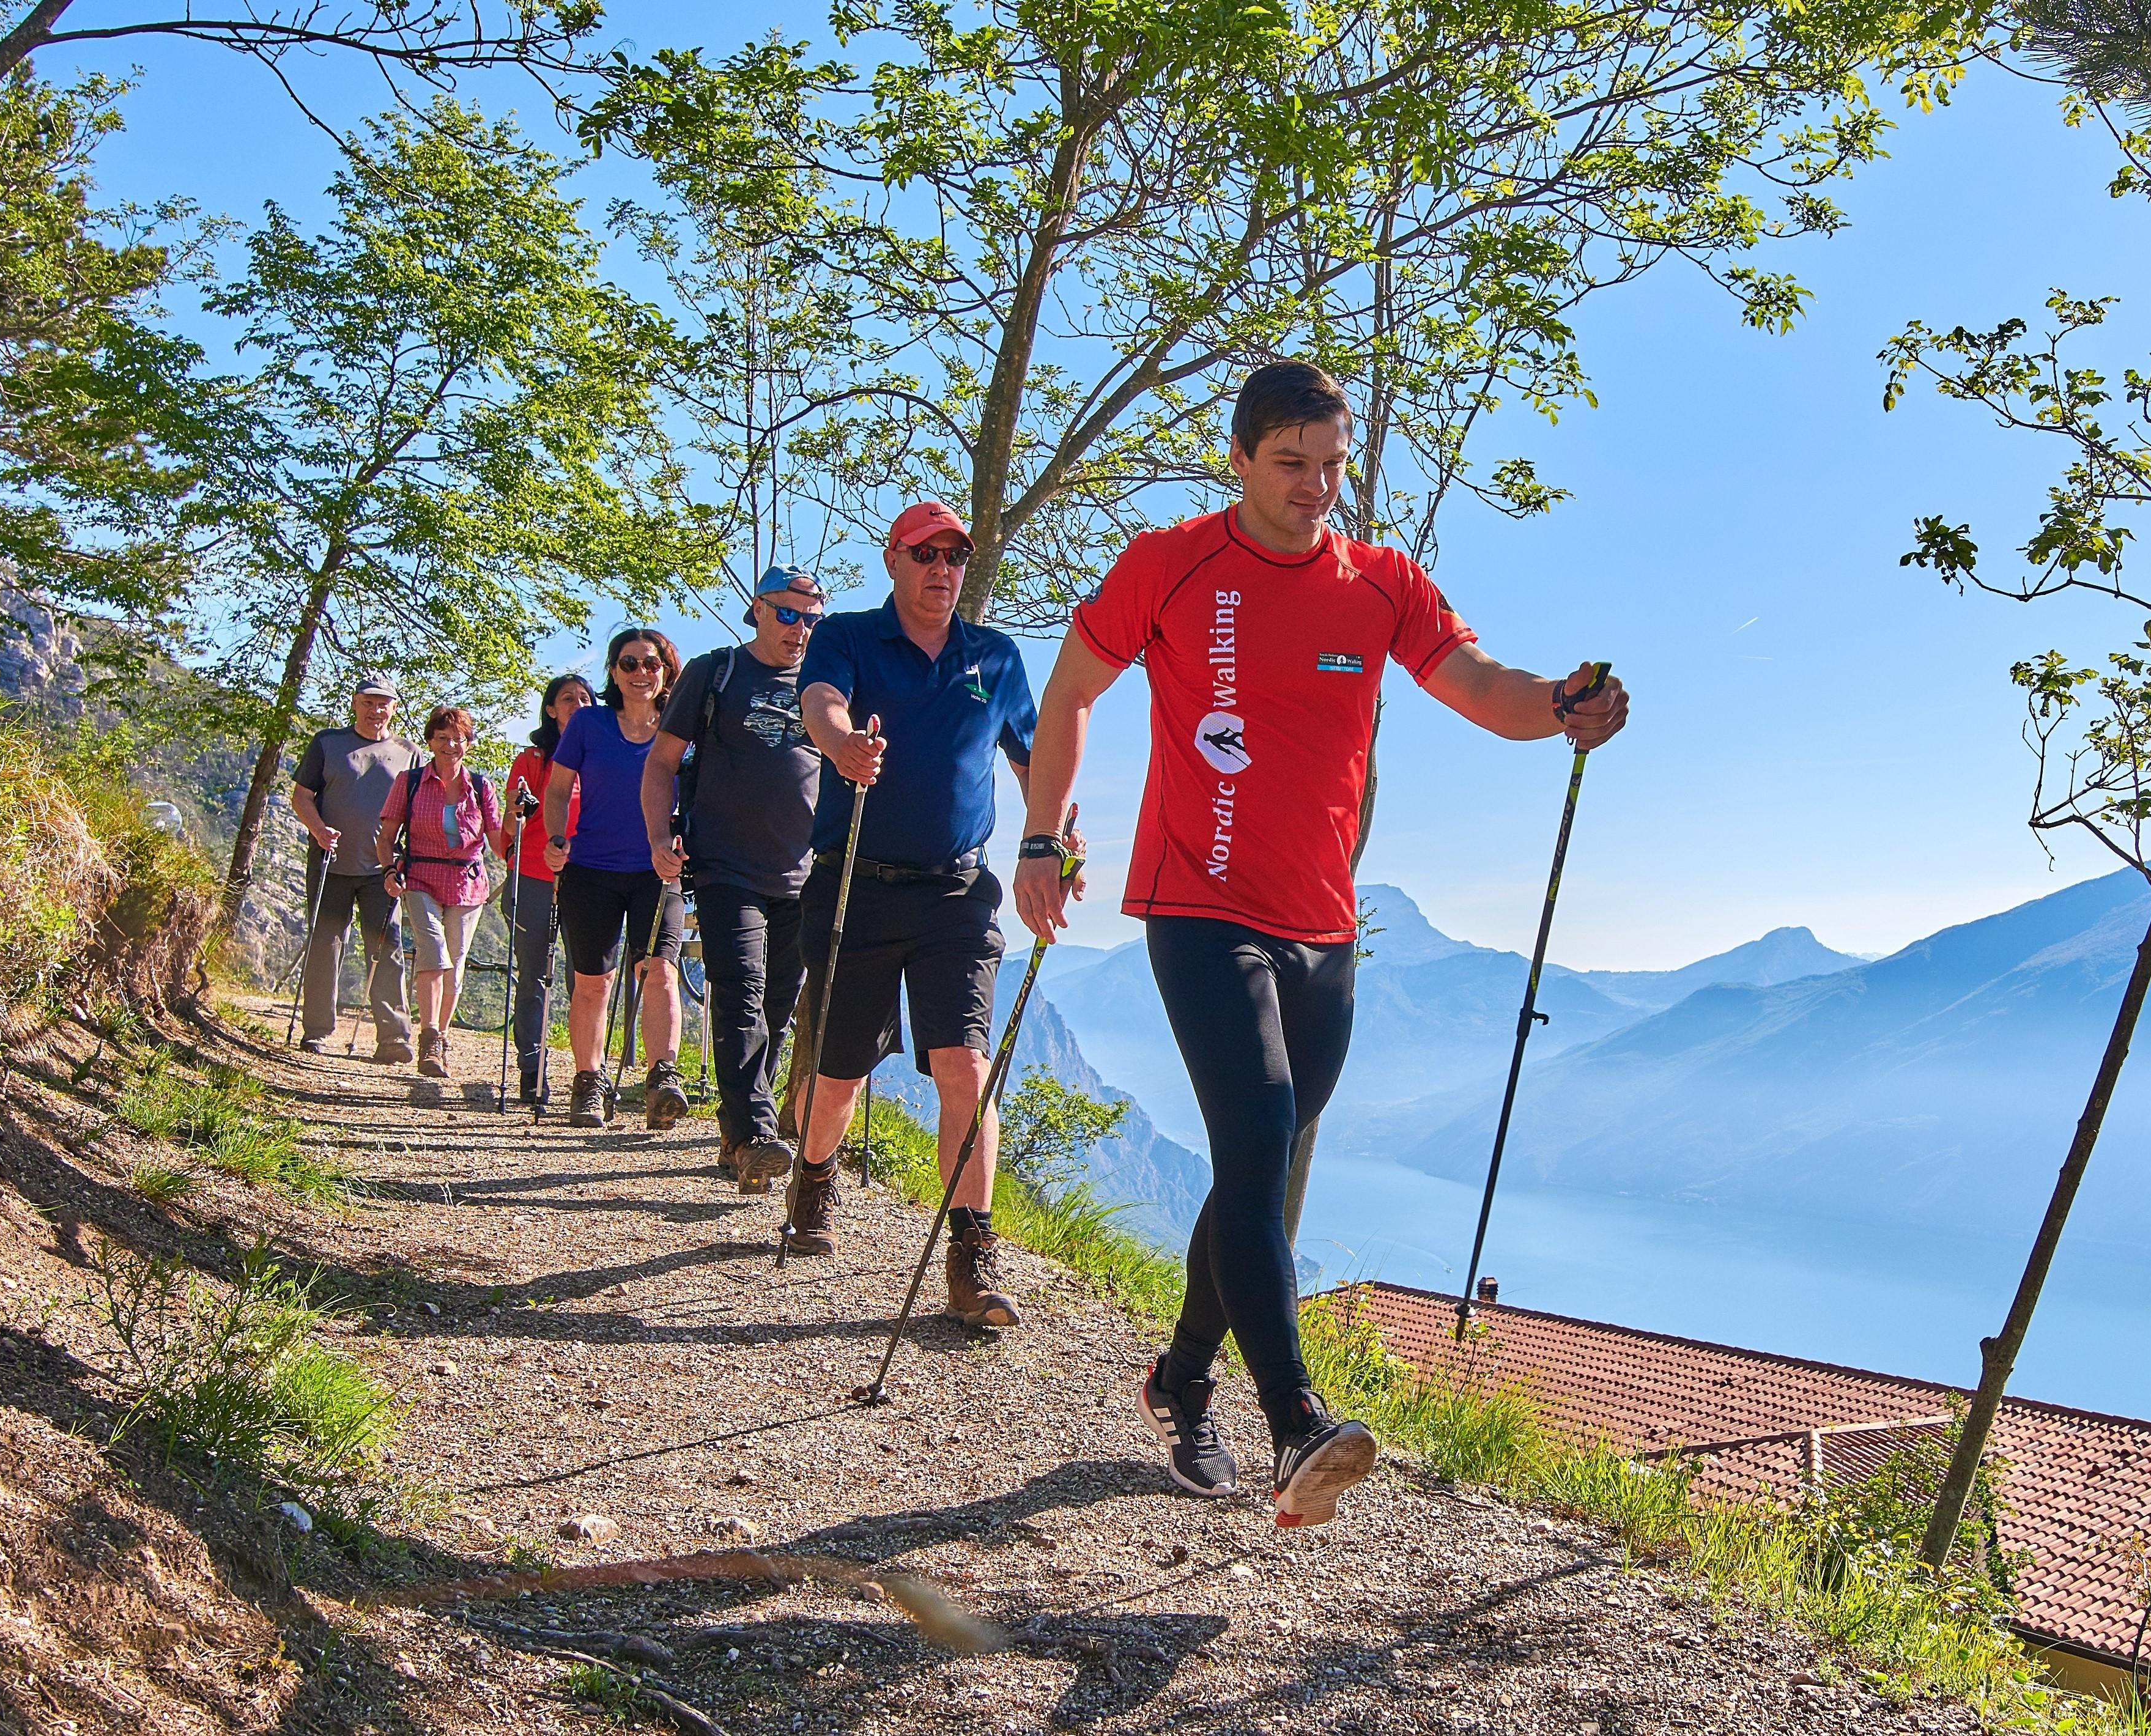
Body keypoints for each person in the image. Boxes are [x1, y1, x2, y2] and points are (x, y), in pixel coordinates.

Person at [1012, 360, 1630, 1528]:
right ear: (1237, 458)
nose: (1313, 487)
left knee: (1264, 1161)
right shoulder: (1170, 562)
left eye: (1332, 465)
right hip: (1195, 903)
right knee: (1250, 1139)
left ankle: (1180, 1376)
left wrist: (1563, 702)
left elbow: (1482, 686)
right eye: (1289, 464)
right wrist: (1042, 834)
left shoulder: (1379, 581)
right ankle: (1295, 1416)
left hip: (1323, 926)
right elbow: (1071, 688)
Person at [791, 501, 1046, 1328]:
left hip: (957, 896)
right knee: (838, 1076)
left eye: (955, 555)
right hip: (855, 880)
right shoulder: (850, 637)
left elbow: (1033, 757)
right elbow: (821, 700)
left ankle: (972, 1258)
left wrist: (1052, 834)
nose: (942, 568)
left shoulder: (994, 657)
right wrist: (841, 743)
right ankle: (815, 1176)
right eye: (925, 553)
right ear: (894, 559)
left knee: (964, 1069)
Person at [642, 566, 825, 1193]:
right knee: (739, 990)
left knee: (776, 1008)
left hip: (804, 873)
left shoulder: (826, 683)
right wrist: (659, 837)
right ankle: (753, 1130)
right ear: (758, 610)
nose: (799, 629)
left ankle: (735, 1130)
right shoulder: (715, 671)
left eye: (811, 618)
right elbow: (663, 761)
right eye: (788, 614)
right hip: (726, 867)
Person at [546, 627, 688, 1129]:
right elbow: (558, 789)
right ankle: (588, 1081)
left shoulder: (682, 730)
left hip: (658, 870)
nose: (640, 673)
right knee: (593, 982)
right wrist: (556, 837)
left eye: (651, 663)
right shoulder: (588, 724)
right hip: (591, 870)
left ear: (667, 670)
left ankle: (662, 1079)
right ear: (612, 672)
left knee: (660, 972)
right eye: (628, 664)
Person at [291, 675, 422, 1063]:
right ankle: (316, 1031)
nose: (375, 710)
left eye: (384, 703)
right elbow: (302, 796)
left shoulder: (408, 752)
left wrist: (405, 858)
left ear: (394, 708)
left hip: (382, 868)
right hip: (331, 862)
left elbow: (415, 812)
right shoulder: (328, 743)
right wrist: (319, 830)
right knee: (325, 944)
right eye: (368, 702)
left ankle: (394, 1038)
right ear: (355, 703)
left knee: (388, 948)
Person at [376, 706, 500, 1079]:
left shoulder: (481, 787)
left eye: (458, 739)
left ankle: (441, 1036)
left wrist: (523, 833)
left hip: (467, 882)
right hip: (421, 878)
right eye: (442, 738)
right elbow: (386, 838)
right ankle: (429, 1037)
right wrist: (388, 869)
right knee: (434, 953)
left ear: (468, 744)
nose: (450, 745)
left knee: (456, 966)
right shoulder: (409, 781)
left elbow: (498, 841)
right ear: (430, 742)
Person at [499, 673, 594, 1101]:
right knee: (534, 976)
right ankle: (531, 1070)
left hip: (590, 878)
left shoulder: (602, 757)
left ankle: (587, 1075)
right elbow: (511, 823)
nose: (578, 703)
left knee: (586, 979)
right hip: (534, 877)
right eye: (567, 698)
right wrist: (518, 810)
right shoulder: (533, 760)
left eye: (585, 697)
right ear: (551, 709)